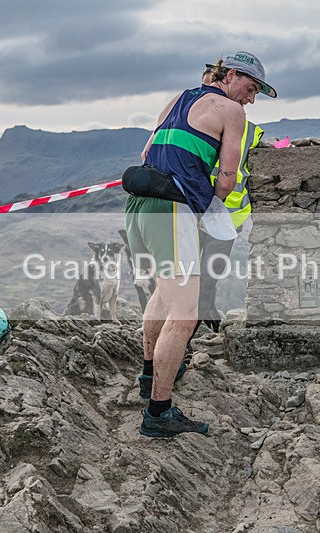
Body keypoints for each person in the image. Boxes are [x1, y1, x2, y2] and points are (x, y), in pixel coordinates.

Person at [124, 51, 276, 438]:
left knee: (164, 294)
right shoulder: (231, 112)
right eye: (251, 87)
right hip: (173, 210)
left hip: (139, 204)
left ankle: (147, 376)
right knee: (186, 315)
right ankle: (159, 413)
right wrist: (205, 201)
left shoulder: (178, 98)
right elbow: (226, 181)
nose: (251, 98)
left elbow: (146, 152)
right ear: (232, 76)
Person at [187, 65, 264, 355]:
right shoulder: (198, 122)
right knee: (194, 283)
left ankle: (184, 345)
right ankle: (200, 335)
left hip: (225, 221)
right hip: (196, 214)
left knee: (206, 283)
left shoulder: (250, 130)